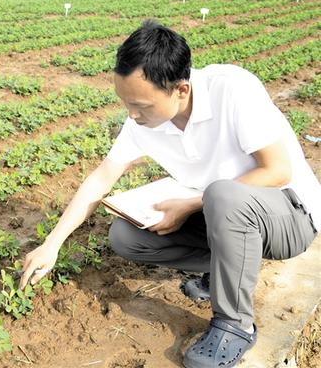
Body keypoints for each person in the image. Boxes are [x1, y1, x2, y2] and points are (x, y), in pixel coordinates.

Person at [19, 20, 320, 368]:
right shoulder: (143, 121)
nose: (132, 114)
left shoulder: (232, 89)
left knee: (221, 195)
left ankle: (236, 325)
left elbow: (278, 170)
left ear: (180, 89)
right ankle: (227, 271)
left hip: (290, 216)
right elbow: (103, 176)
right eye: (125, 103)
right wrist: (52, 243)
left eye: (141, 105)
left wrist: (192, 203)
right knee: (126, 236)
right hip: (224, 213)